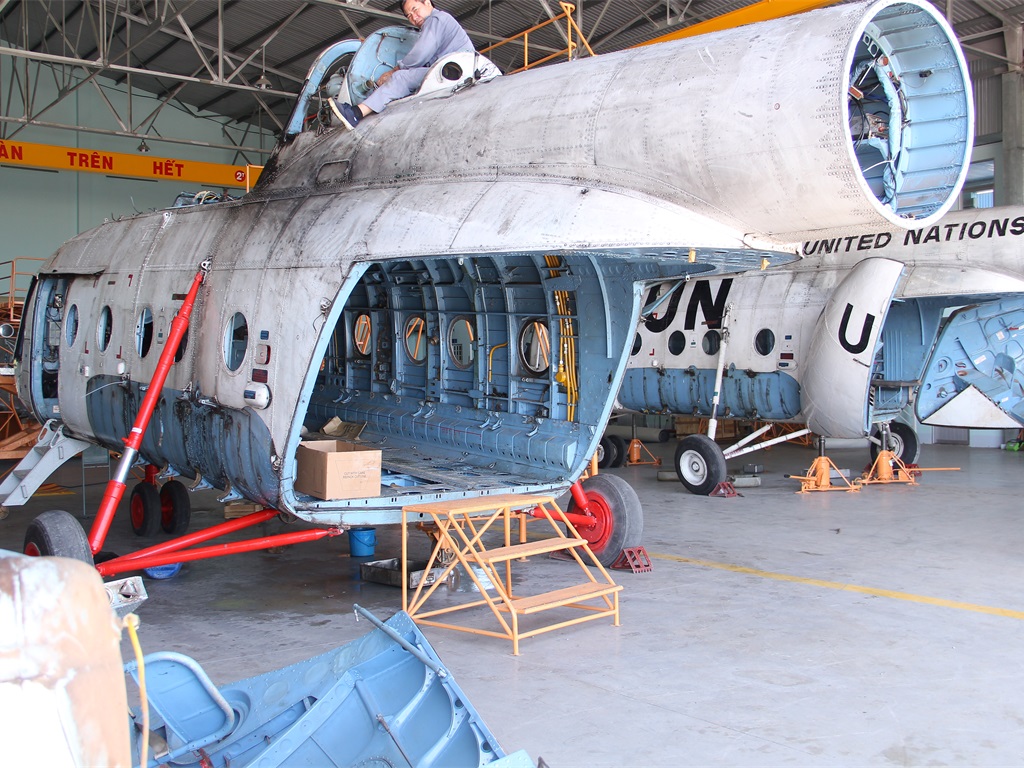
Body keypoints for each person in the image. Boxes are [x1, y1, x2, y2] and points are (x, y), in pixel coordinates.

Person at [331, 0, 474, 130]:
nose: (414, 17)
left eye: (415, 9)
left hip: (456, 72)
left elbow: (421, 53)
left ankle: (356, 113)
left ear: (427, 2)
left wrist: (396, 70)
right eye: (409, 15)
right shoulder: (440, 21)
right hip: (457, 70)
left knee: (401, 78)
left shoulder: (436, 19)